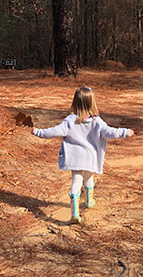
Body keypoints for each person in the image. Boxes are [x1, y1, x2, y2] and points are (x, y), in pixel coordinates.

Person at [32, 86, 134, 224]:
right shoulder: (97, 122)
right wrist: (125, 132)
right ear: (92, 103)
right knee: (89, 178)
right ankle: (89, 201)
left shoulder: (69, 121)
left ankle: (75, 212)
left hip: (75, 158)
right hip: (90, 158)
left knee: (76, 181)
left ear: (75, 102)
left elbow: (52, 132)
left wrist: (37, 132)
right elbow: (110, 131)